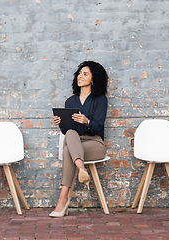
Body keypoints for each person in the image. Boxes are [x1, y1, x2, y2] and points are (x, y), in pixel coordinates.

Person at [50, 61, 108, 218]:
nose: (80, 76)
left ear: (94, 79)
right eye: (79, 73)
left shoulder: (100, 99)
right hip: (75, 141)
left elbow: (98, 128)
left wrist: (87, 121)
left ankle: (62, 200)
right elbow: (67, 130)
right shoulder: (71, 101)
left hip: (94, 143)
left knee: (68, 150)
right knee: (69, 134)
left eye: (85, 74)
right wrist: (60, 123)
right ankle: (81, 168)